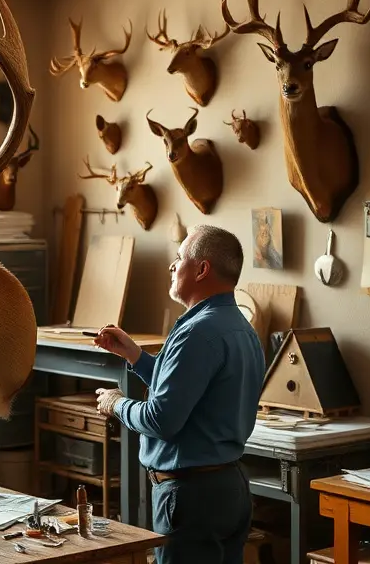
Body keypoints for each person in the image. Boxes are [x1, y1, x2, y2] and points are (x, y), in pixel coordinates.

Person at [92, 224, 265, 564]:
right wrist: (136, 357)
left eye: (179, 257)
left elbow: (161, 419)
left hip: (192, 497)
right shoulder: (240, 328)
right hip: (230, 489)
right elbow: (189, 387)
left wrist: (117, 404)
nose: (172, 266)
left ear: (202, 269)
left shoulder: (196, 332)